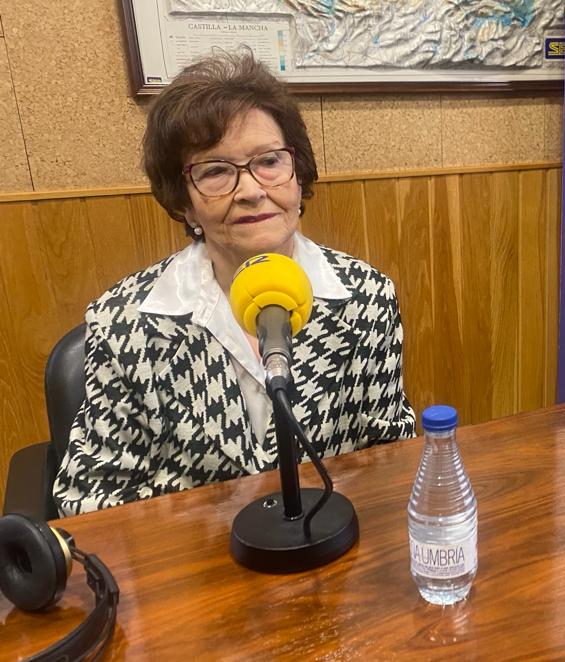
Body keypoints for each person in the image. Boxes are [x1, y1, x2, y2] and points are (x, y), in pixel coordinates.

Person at [54, 51, 416, 516]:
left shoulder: (367, 297)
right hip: (193, 573)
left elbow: (391, 453)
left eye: (269, 161)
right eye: (216, 171)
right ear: (184, 203)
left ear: (297, 175)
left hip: (329, 547)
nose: (250, 189)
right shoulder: (122, 324)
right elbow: (88, 498)